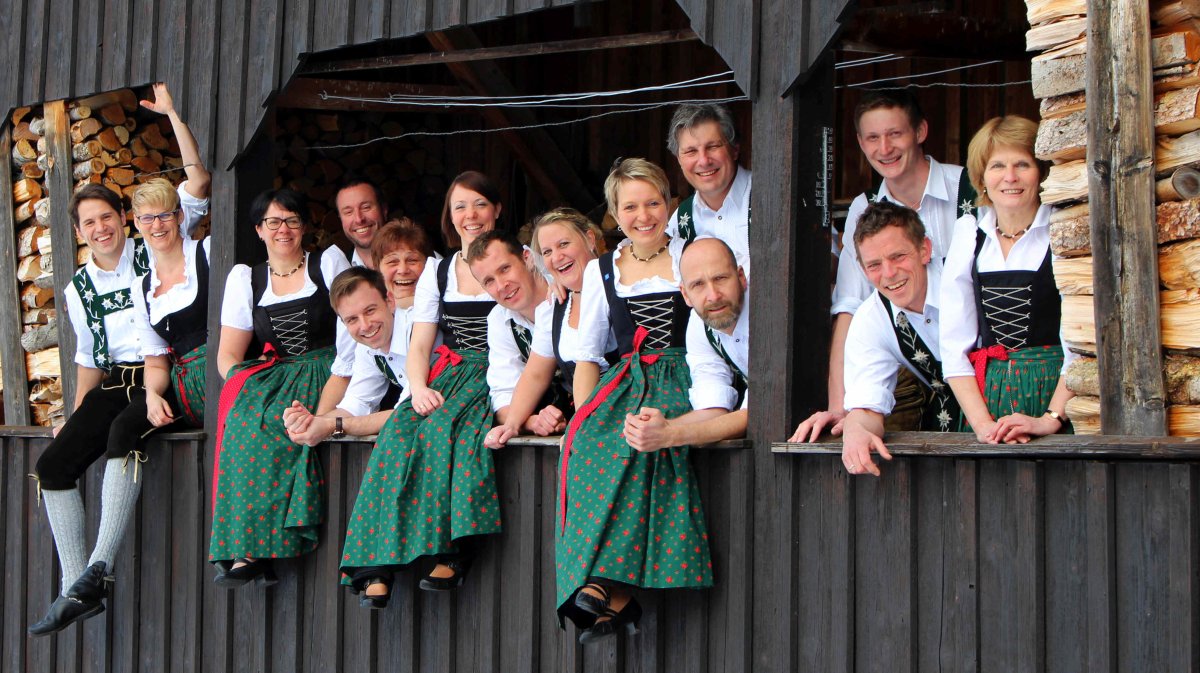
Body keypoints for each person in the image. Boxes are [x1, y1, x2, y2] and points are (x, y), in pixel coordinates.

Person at [28, 82, 211, 636]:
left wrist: (176, 116)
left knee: (119, 441)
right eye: (89, 223)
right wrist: (77, 413)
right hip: (114, 381)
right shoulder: (77, 287)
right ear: (80, 232)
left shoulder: (153, 246)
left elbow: (195, 188)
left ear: (122, 219)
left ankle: (93, 575)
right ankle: (74, 585)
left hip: (162, 376)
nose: (100, 228)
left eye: (107, 217)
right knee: (52, 466)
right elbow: (87, 358)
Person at [557, 158, 712, 644]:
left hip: (686, 375)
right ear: (614, 214)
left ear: (669, 204)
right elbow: (586, 358)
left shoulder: (692, 255)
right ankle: (606, 591)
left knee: (640, 446)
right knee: (587, 448)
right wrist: (584, 416)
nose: (643, 215)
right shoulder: (604, 269)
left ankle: (608, 592)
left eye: (652, 203)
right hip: (625, 381)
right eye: (630, 206)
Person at [339, 171, 503, 594]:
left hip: (500, 369)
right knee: (397, 429)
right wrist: (419, 386)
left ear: (497, 210)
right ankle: (373, 560)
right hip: (451, 372)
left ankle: (450, 549)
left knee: (449, 431)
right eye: (460, 207)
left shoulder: (514, 257)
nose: (471, 215)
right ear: (450, 217)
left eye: (480, 204)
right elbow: (420, 344)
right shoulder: (440, 270)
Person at [208, 188, 352, 586]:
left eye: (291, 220)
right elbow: (227, 358)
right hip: (276, 372)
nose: (283, 229)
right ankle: (246, 547)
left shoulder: (327, 263)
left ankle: (265, 547)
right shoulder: (246, 278)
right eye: (273, 222)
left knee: (281, 425)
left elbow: (351, 330)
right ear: (259, 229)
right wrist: (250, 389)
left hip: (329, 366)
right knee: (242, 423)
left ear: (304, 226)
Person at [822, 90, 975, 435]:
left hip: (992, 373)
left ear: (920, 132)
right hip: (931, 384)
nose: (884, 148)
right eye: (873, 138)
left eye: (895, 134)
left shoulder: (969, 187)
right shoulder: (864, 208)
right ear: (861, 143)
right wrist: (840, 407)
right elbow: (849, 309)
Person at [790, 202, 960, 476]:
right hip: (956, 433)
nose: (889, 273)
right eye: (874, 265)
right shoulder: (871, 319)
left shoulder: (961, 281)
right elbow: (867, 407)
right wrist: (856, 432)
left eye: (898, 256)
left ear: (924, 249)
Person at [941, 116, 1075, 443]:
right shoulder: (969, 233)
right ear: (982, 178)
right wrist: (984, 426)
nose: (1010, 177)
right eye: (997, 165)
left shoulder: (1063, 229)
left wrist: (1051, 419)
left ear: (1040, 172)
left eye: (1022, 164)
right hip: (988, 401)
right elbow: (954, 346)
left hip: (1057, 394)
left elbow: (1083, 345)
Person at [483, 208, 613, 449]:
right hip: (587, 420)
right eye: (547, 252)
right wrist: (511, 424)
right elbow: (535, 374)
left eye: (564, 244)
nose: (557, 256)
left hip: (624, 411)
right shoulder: (555, 308)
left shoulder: (618, 287)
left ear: (590, 239)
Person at [624, 237, 749, 451]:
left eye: (720, 278)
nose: (713, 295)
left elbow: (758, 412)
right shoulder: (700, 323)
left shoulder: (766, 310)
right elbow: (713, 406)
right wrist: (659, 428)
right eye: (698, 284)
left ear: (741, 277)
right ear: (685, 294)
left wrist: (672, 434)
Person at [665, 103, 751, 274]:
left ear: (734, 150)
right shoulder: (681, 220)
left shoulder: (767, 197)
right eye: (691, 151)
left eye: (713, 147)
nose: (704, 161)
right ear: (679, 160)